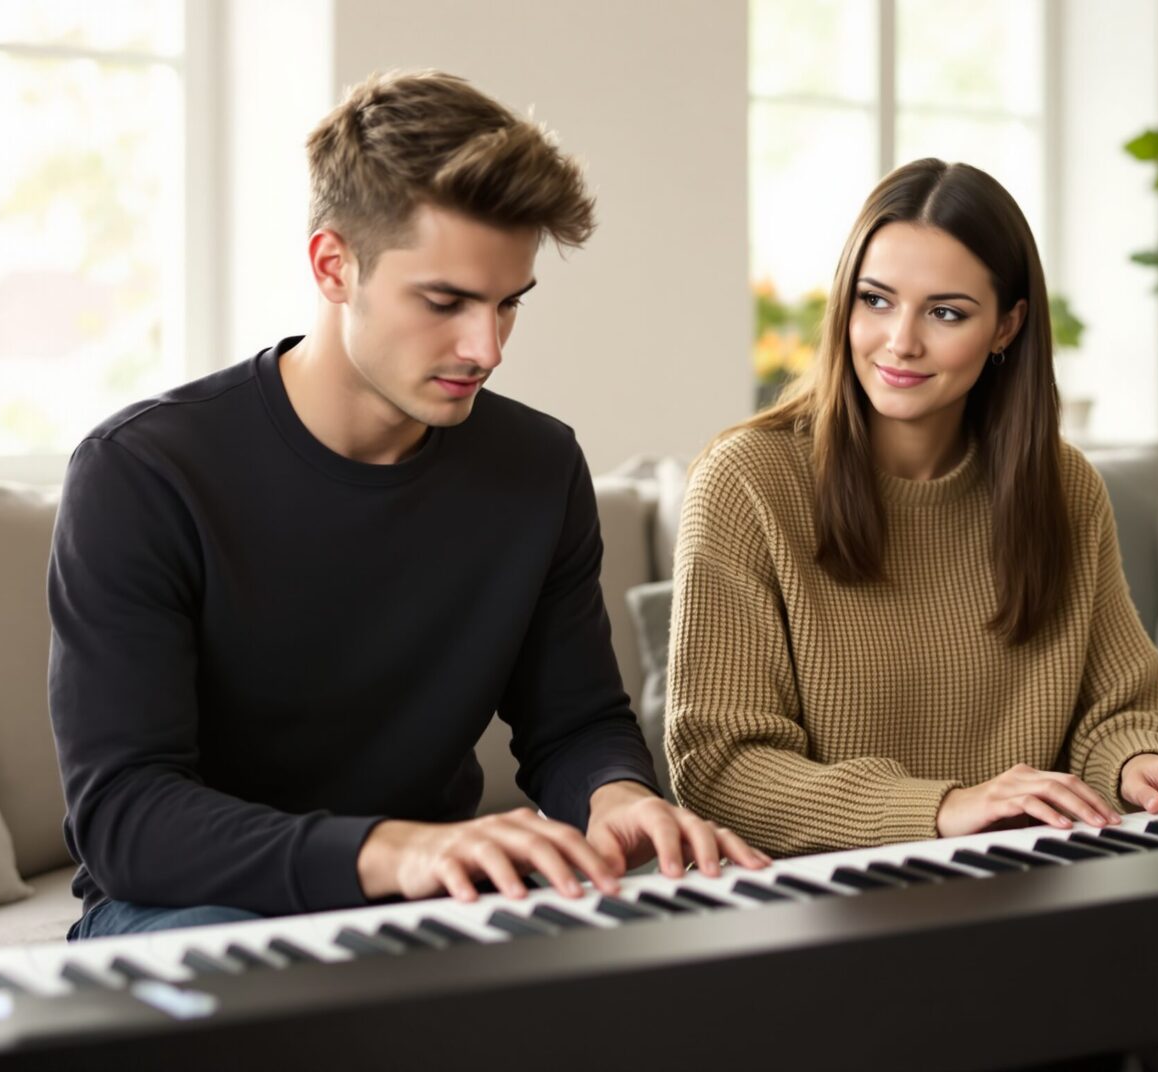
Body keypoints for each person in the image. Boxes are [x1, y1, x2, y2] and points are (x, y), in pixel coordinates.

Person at [51, 69, 767, 942]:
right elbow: (127, 817)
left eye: (509, 305)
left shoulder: (538, 467)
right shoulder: (142, 474)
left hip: (431, 903)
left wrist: (614, 793)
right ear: (333, 265)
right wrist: (401, 852)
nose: (487, 347)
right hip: (185, 913)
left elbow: (574, 722)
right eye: (446, 302)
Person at [665, 158, 1158, 1070]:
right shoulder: (748, 481)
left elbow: (1123, 708)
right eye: (875, 300)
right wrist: (942, 809)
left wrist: (1144, 767)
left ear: (1007, 328)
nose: (899, 341)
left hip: (1029, 890)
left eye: (946, 313)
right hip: (835, 901)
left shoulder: (1063, 488)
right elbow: (720, 766)